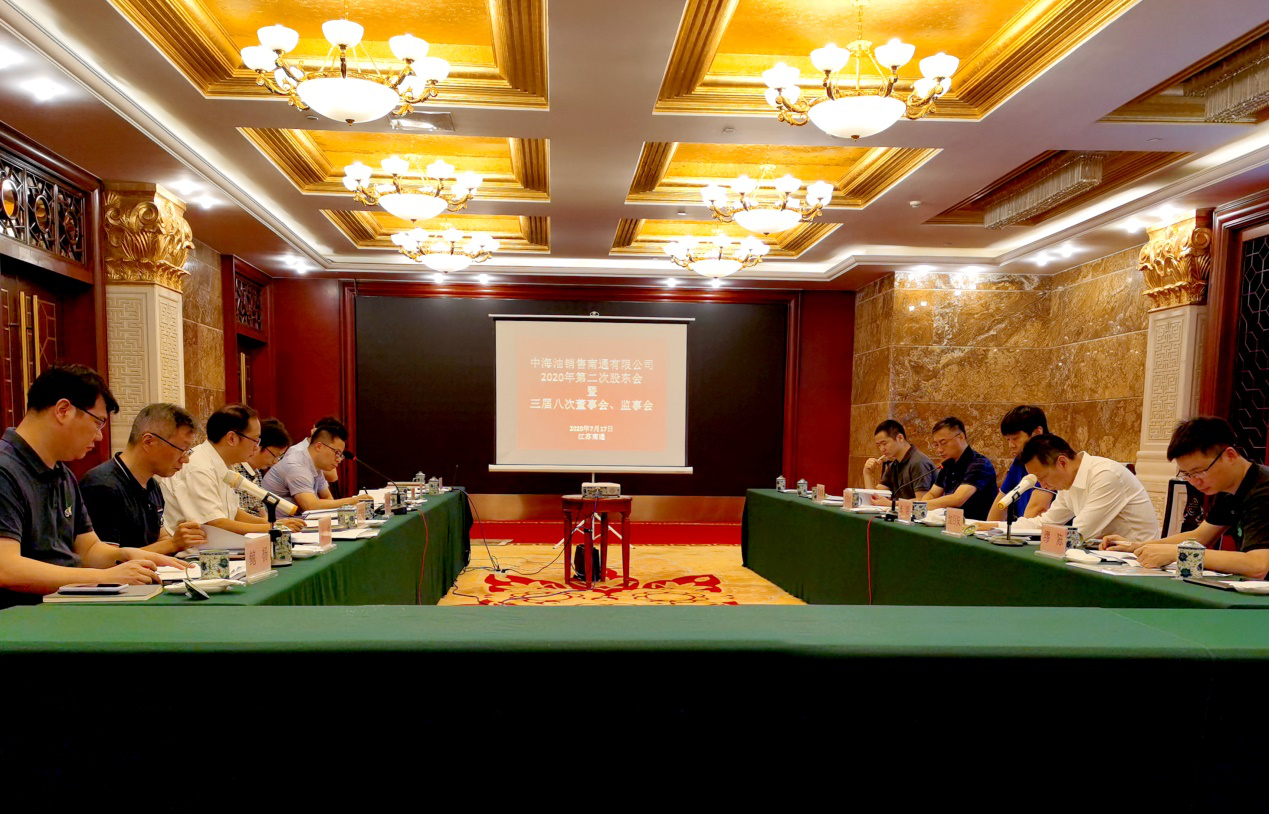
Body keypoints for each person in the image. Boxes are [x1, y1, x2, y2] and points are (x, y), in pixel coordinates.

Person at [0, 365, 186, 609]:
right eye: (98, 422)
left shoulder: (62, 474)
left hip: (64, 607)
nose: (99, 436)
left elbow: (88, 549)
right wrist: (104, 577)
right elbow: (6, 567)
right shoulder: (5, 469)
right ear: (63, 410)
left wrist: (127, 555)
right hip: (19, 618)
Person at [1103, 417, 1269, 578]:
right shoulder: (1228, 490)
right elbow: (1200, 537)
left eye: (1199, 472)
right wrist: (1136, 546)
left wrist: (1177, 553)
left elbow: (1258, 565)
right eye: (1187, 474)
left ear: (1230, 455)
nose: (1195, 482)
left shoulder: (1263, 489)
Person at [80, 403, 206, 555]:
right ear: (148, 442)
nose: (185, 460)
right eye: (182, 450)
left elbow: (160, 539)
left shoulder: (152, 484)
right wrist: (173, 544)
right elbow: (105, 560)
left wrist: (181, 540)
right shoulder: (102, 486)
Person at [159, 404, 305, 535]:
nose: (256, 447)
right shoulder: (199, 467)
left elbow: (233, 513)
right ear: (231, 438)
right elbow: (214, 523)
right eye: (255, 440)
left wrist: (272, 523)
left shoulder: (224, 464)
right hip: (191, 552)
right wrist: (272, 527)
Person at [1001, 434, 1159, 541]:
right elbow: (1048, 522)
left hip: (1136, 562)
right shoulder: (1067, 482)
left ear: (1062, 462)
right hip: (1105, 556)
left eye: (1042, 477)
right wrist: (994, 527)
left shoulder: (1106, 475)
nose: (1042, 486)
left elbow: (1078, 534)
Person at [262, 418, 372, 512]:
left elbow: (327, 497)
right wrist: (353, 500)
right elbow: (310, 505)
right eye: (337, 453)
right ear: (319, 447)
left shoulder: (316, 466)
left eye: (340, 455)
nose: (339, 459)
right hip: (278, 525)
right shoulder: (296, 466)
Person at [918, 417, 998, 520]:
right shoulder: (948, 464)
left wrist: (922, 506)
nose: (939, 450)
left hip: (975, 525)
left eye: (943, 443)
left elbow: (958, 499)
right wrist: (921, 508)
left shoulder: (979, 464)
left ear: (961, 437)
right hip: (951, 523)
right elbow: (932, 494)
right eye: (936, 445)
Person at [987, 405, 1054, 521]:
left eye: (1015, 438)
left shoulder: (1052, 458)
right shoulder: (1020, 459)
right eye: (1008, 439)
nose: (1011, 445)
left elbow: (1038, 508)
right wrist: (987, 528)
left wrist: (1021, 528)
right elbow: (1001, 502)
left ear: (1037, 432)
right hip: (1025, 526)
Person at [863, 419, 936, 502]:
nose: (882, 449)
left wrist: (892, 504)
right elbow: (875, 497)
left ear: (900, 438)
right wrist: (867, 473)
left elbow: (921, 501)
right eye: (879, 445)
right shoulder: (894, 465)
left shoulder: (919, 462)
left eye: (884, 443)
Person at [233, 417, 290, 518]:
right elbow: (237, 516)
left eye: (279, 457)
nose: (275, 461)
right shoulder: (235, 471)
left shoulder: (256, 472)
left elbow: (261, 511)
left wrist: (275, 524)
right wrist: (271, 524)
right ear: (257, 445)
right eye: (274, 455)